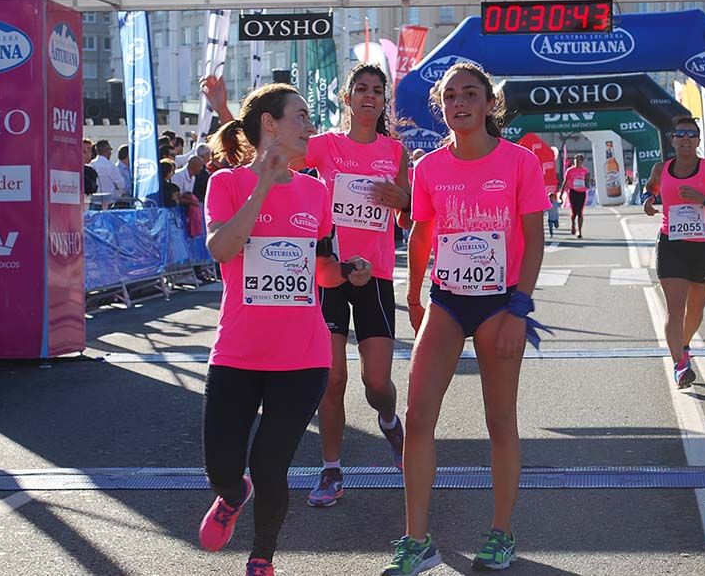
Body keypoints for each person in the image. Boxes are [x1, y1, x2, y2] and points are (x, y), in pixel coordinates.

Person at [204, 65, 412, 508]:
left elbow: (410, 214)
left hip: (371, 272)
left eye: (377, 90)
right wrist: (225, 111)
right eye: (361, 89)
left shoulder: (396, 152)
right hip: (324, 269)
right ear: (347, 98)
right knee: (332, 378)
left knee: (377, 383)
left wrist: (405, 201)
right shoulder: (325, 145)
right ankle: (331, 468)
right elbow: (268, 152)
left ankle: (391, 420)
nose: (369, 97)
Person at [198, 83, 373, 576]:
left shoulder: (316, 190)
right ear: (270, 124)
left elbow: (318, 268)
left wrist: (346, 270)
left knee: (271, 464)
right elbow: (222, 250)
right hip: (237, 353)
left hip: (303, 356)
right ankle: (232, 497)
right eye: (301, 116)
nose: (310, 126)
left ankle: (262, 558)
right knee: (223, 469)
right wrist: (264, 185)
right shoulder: (226, 184)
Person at [383, 63, 549, 575]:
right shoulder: (429, 167)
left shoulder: (520, 162)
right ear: (442, 105)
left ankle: (501, 533)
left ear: (488, 104)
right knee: (418, 416)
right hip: (447, 300)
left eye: (470, 94)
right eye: (450, 96)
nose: (460, 103)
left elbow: (535, 237)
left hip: (502, 302)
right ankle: (417, 540)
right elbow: (421, 235)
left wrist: (521, 303)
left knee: (499, 420)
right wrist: (412, 296)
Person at [642, 117, 705, 390]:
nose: (685, 139)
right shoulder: (662, 169)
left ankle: (683, 346)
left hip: (704, 247)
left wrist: (703, 199)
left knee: (695, 310)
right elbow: (651, 189)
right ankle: (679, 366)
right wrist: (648, 201)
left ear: (697, 140)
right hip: (672, 244)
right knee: (675, 308)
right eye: (680, 134)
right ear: (672, 140)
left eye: (691, 135)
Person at [560, 154, 590, 238]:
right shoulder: (570, 170)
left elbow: (588, 182)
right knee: (574, 212)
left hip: (582, 192)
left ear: (582, 161)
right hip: (572, 192)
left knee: (580, 212)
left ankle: (579, 231)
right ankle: (573, 224)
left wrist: (587, 182)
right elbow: (565, 182)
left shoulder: (585, 171)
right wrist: (561, 193)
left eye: (579, 160)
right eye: (575, 160)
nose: (577, 161)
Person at [90, 139, 126, 208]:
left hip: (94, 202)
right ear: (107, 151)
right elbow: (121, 185)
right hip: (109, 203)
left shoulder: (91, 164)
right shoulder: (110, 166)